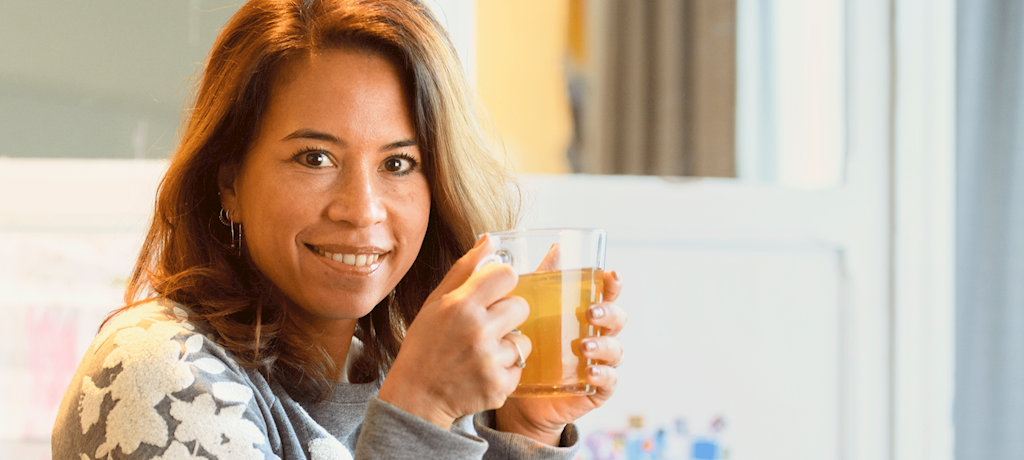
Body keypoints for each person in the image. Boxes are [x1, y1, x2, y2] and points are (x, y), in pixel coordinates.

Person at [52, 0, 626, 458]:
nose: (362, 209)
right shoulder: (156, 370)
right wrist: (418, 412)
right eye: (315, 159)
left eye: (398, 164)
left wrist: (523, 431)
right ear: (229, 183)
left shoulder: (379, 374)